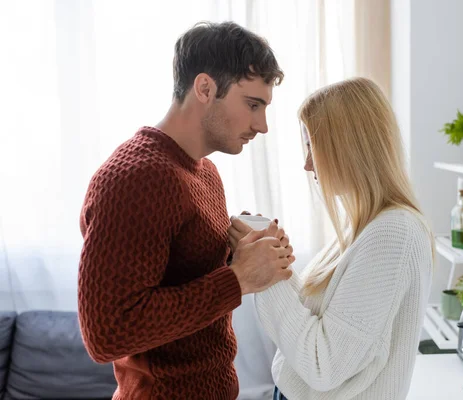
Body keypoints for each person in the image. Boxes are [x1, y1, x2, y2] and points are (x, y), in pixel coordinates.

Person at [78, 21, 294, 400]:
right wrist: (238, 279)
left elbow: (179, 274)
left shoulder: (204, 172)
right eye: (253, 105)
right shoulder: (135, 177)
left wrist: (241, 251)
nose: (261, 126)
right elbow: (107, 334)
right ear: (205, 88)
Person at [229, 77, 435, 400]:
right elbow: (324, 325)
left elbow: (323, 365)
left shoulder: (393, 234)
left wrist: (268, 275)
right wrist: (275, 263)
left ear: (348, 147)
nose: (307, 163)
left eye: (313, 145)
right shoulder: (366, 226)